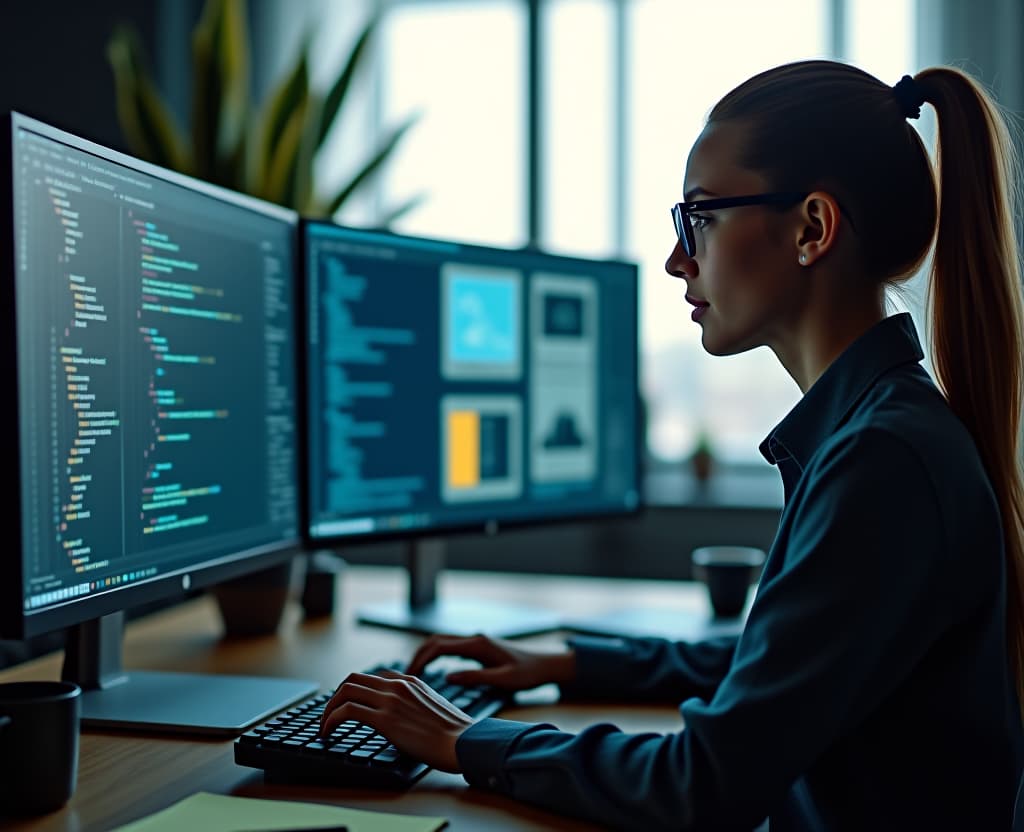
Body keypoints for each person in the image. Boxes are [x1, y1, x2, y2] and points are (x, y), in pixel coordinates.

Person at [319, 59, 1024, 830]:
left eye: (702, 218)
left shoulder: (883, 462)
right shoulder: (879, 432)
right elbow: (788, 668)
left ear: (812, 228)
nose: (676, 258)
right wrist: (569, 663)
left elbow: (704, 784)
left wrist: (465, 739)